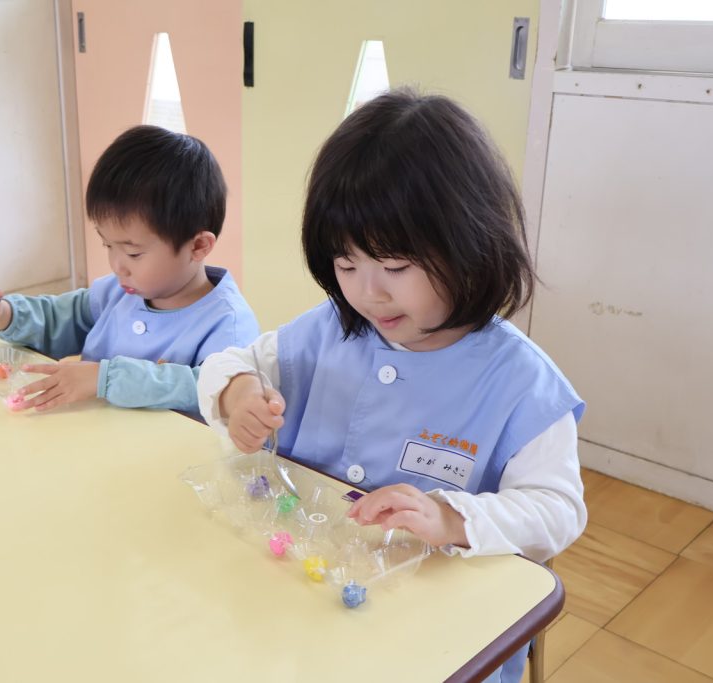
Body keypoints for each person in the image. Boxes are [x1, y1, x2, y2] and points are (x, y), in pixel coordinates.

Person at [197, 89, 585, 683]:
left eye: (396, 267)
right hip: (299, 606)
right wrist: (239, 392)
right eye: (346, 265)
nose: (368, 293)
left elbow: (557, 510)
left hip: (436, 640)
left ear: (470, 246)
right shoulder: (327, 331)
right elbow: (227, 362)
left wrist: (451, 518)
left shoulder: (522, 385)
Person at [0, 125, 259, 413]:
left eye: (133, 253)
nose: (116, 265)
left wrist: (106, 379)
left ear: (198, 246)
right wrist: (6, 314)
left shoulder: (228, 324)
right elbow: (59, 318)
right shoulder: (117, 292)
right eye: (107, 245)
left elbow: (212, 389)